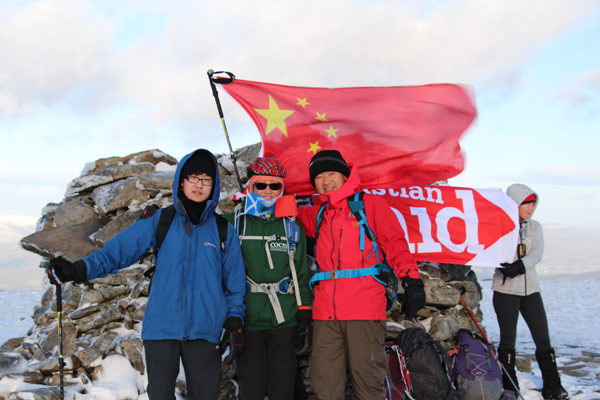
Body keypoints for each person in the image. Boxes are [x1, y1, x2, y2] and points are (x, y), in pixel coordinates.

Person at [46, 149, 247, 400]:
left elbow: (235, 282)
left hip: (205, 329)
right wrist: (78, 269)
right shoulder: (161, 221)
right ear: (181, 182)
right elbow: (117, 252)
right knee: (160, 395)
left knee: (205, 395)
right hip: (162, 327)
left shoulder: (222, 230)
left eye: (206, 180)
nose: (199, 185)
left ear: (214, 186)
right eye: (193, 178)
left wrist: (235, 316)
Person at [296, 150, 426, 400]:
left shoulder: (369, 205)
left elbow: (395, 243)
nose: (325, 181)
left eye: (331, 174)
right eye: (319, 177)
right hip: (325, 315)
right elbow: (289, 215)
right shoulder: (320, 214)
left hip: (364, 311)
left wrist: (412, 281)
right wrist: (263, 200)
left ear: (345, 175)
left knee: (368, 388)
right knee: (323, 389)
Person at [225, 156, 312, 400]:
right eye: (260, 185)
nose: (267, 191)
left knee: (282, 389)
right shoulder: (234, 222)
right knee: (251, 389)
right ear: (250, 187)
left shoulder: (291, 226)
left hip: (284, 320)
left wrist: (304, 310)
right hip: (248, 319)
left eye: (274, 186)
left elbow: (301, 272)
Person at [493, 183, 569, 400]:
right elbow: (492, 250)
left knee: (543, 339)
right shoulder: (500, 226)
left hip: (531, 291)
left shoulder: (535, 227)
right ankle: (510, 388)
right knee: (508, 342)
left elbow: (537, 253)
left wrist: (519, 266)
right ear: (515, 203)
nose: (531, 207)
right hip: (505, 291)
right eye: (527, 203)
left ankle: (553, 387)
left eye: (534, 203)